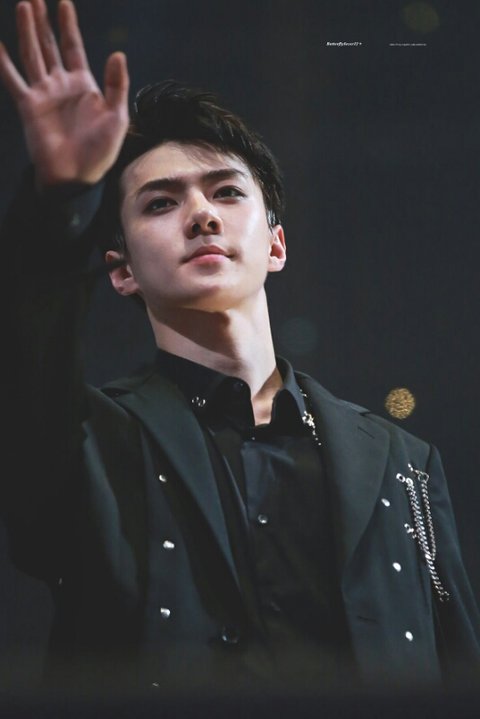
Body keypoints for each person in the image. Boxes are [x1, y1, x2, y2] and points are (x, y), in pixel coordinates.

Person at [0, 0, 479, 697]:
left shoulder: (402, 462)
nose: (200, 213)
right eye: (160, 203)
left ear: (276, 244)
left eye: (226, 192)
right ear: (121, 270)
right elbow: (25, 357)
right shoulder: (89, 440)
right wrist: (62, 198)